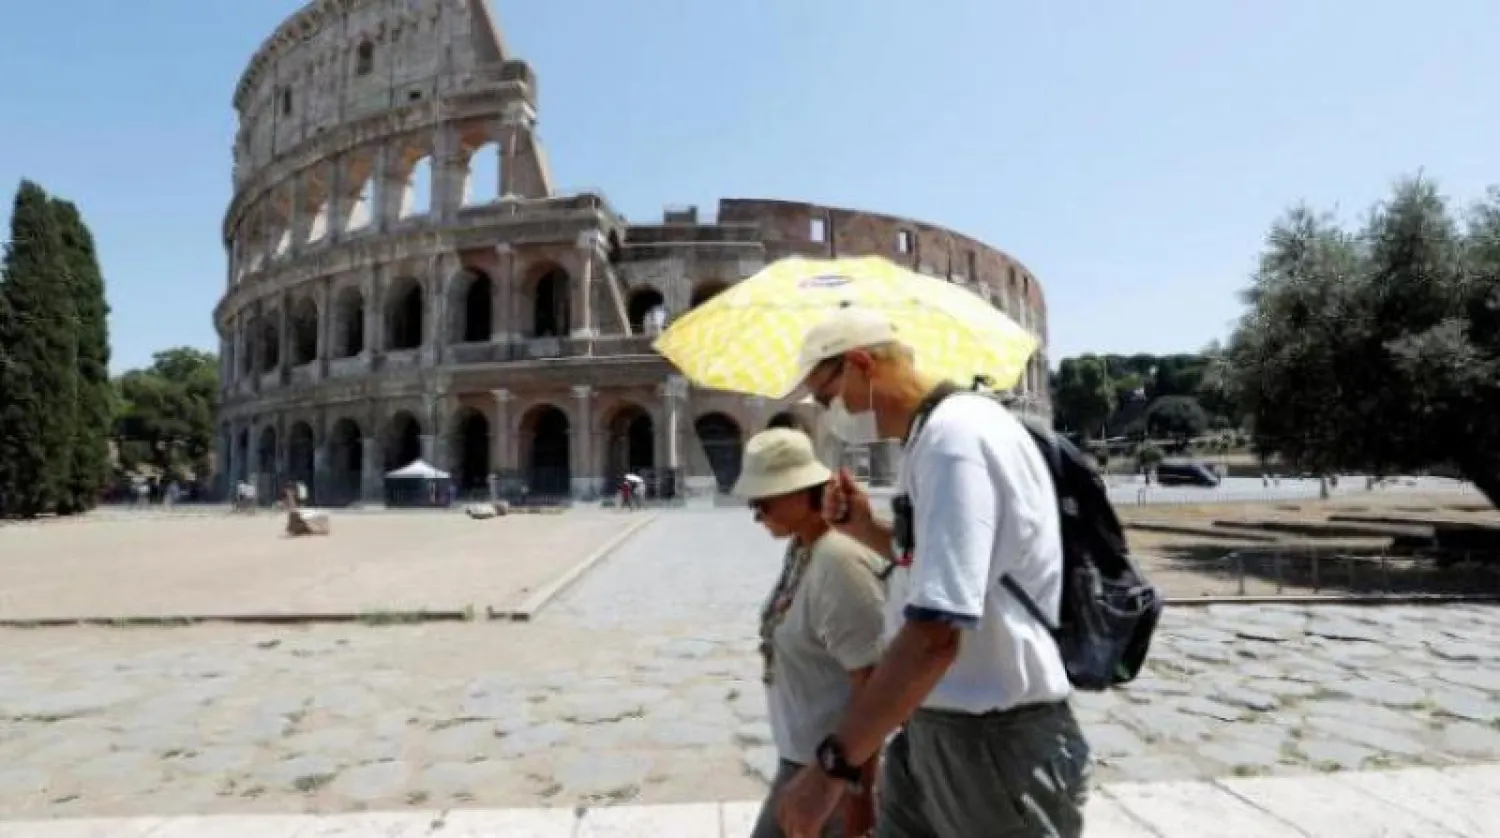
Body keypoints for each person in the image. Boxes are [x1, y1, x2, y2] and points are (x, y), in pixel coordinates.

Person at [775, 307, 1090, 838]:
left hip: (991, 744)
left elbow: (934, 635)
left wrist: (835, 765)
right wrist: (867, 529)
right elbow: (951, 563)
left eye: (828, 396)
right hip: (937, 725)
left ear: (858, 365)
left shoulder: (955, 441)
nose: (829, 412)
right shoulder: (936, 437)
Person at [736, 428, 888, 838]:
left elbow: (873, 686)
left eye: (764, 502)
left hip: (834, 772)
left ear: (802, 494)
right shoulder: (804, 548)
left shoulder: (838, 560)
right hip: (803, 762)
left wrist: (859, 802)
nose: (756, 514)